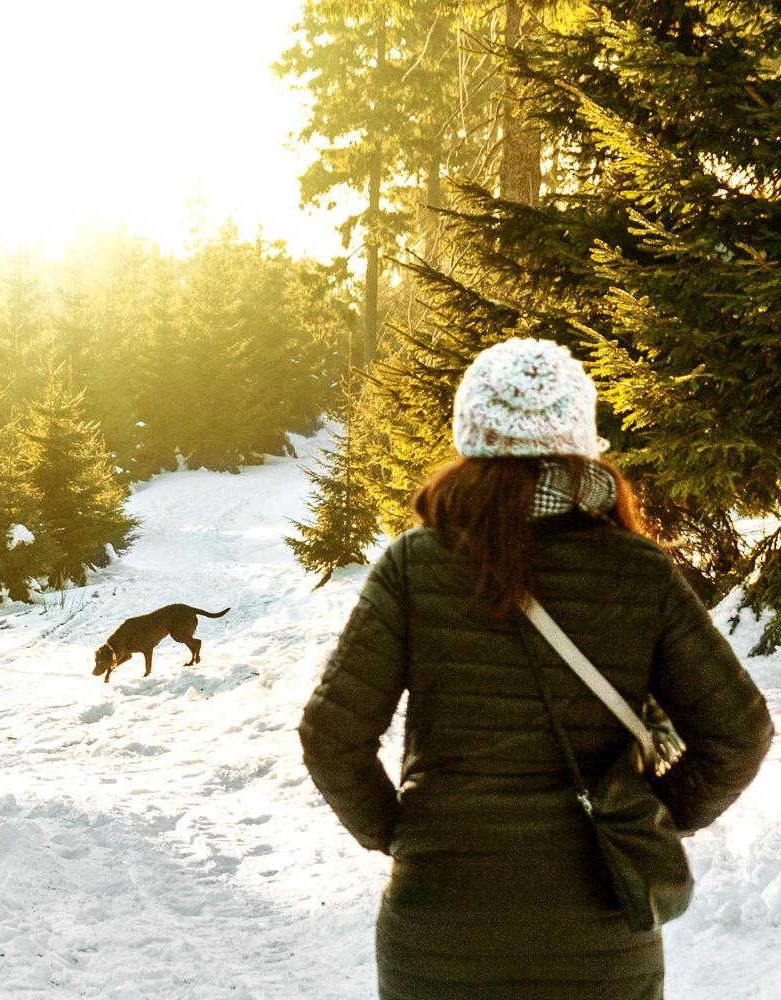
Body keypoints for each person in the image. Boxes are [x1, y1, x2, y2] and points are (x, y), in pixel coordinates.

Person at [298, 338, 774, 1000]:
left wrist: (400, 833)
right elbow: (740, 734)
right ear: (580, 443)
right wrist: (648, 817)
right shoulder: (640, 572)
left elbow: (330, 735)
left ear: (473, 437)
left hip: (441, 931)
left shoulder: (414, 565)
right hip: (601, 934)